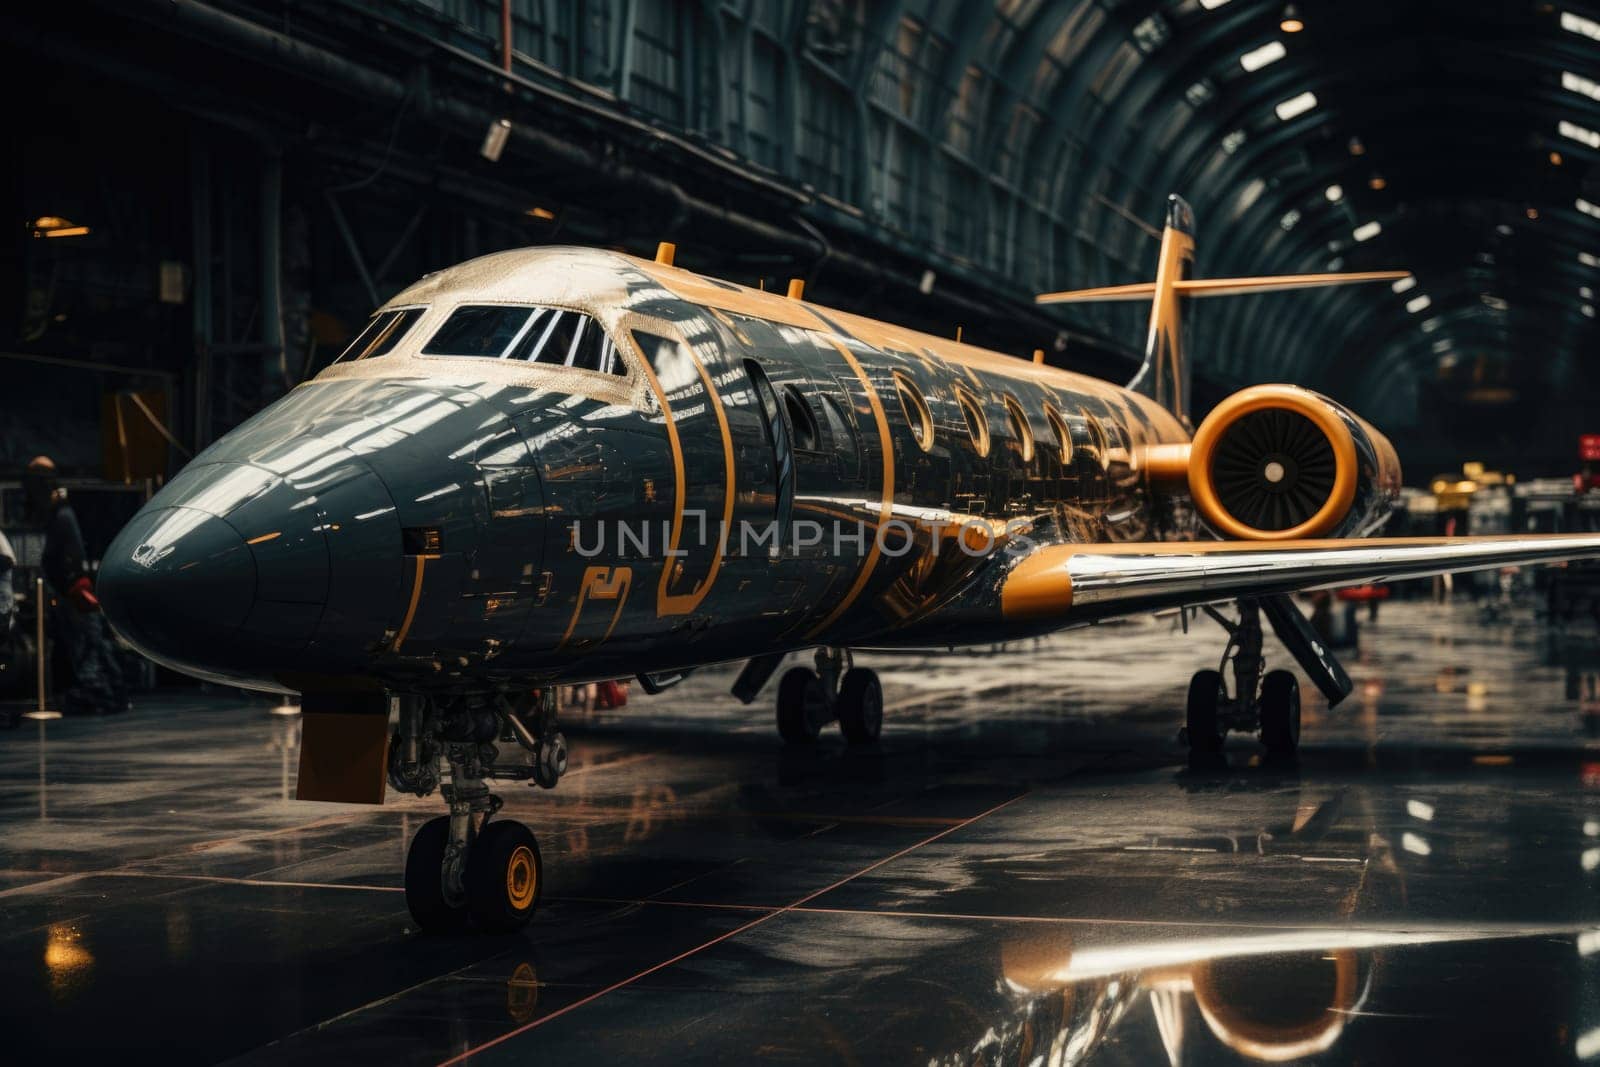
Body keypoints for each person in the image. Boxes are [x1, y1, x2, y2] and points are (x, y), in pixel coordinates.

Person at [23, 457, 127, 715]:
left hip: (74, 590)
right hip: (73, 589)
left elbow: (66, 556)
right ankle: (110, 693)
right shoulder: (60, 514)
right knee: (93, 644)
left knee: (87, 645)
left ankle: (100, 693)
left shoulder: (61, 515)